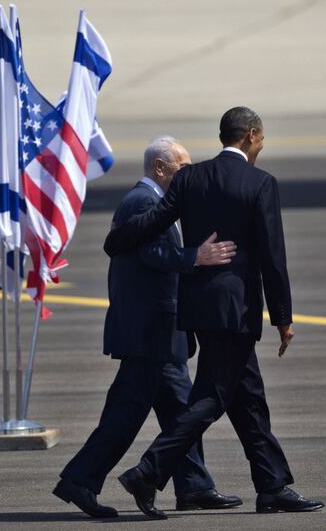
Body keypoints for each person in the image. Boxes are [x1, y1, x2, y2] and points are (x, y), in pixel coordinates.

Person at [104, 108, 325, 519]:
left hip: (200, 307)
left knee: (249, 399)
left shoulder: (190, 178)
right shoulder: (260, 184)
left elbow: (153, 221)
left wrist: (116, 240)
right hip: (236, 309)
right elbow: (273, 258)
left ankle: (272, 485)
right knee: (211, 397)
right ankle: (147, 472)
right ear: (252, 136)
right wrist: (282, 317)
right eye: (262, 140)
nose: (262, 146)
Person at [53, 137, 240, 518]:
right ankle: (80, 480)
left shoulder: (153, 201)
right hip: (149, 332)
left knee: (181, 413)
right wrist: (196, 257)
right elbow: (151, 253)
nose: (186, 175)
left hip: (159, 333)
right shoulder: (143, 201)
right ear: (160, 168)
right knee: (124, 416)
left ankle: (195, 486)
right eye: (182, 168)